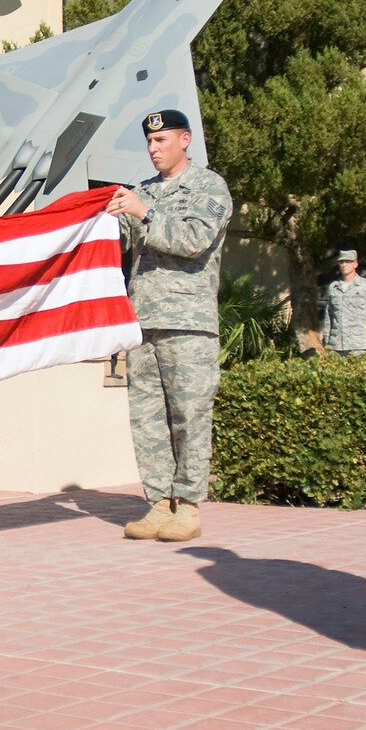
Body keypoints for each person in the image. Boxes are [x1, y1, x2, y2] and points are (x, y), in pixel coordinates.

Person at [107, 108, 232, 543]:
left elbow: (195, 241)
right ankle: (159, 503)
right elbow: (115, 247)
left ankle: (189, 506)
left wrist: (143, 214)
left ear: (185, 140)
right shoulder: (139, 192)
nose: (153, 148)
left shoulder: (209, 186)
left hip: (188, 321)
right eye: (148, 142)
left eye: (161, 141)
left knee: (189, 415)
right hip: (143, 320)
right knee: (148, 419)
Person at [322, 248, 366, 354]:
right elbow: (329, 315)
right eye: (341, 262)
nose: (344, 265)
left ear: (355, 264)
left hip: (360, 346)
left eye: (348, 261)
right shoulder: (333, 288)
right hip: (336, 346)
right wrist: (327, 340)